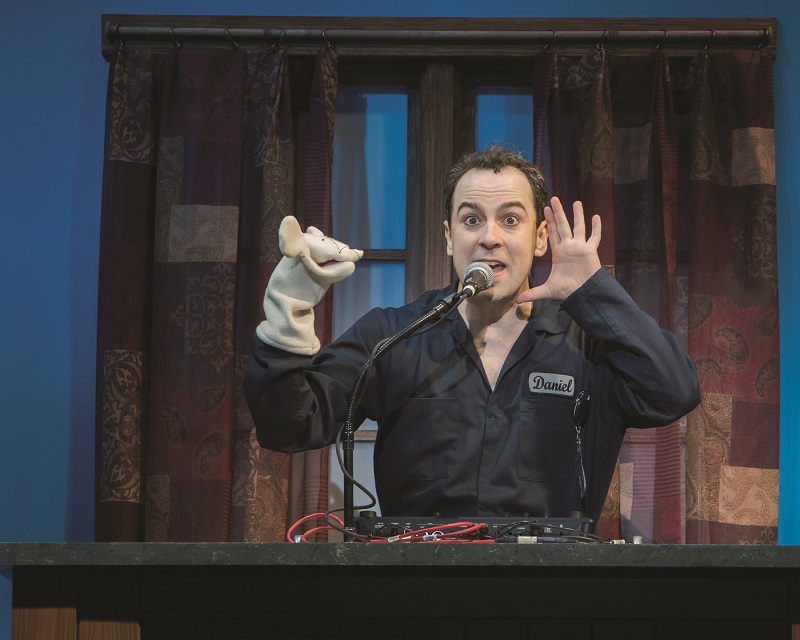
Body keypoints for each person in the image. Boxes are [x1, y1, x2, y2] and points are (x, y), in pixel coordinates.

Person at [244, 146, 701, 524]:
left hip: (551, 588)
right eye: (471, 220)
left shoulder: (586, 342)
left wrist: (594, 292)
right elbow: (289, 424)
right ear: (449, 237)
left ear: (541, 238)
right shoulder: (393, 334)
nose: (489, 237)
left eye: (510, 219)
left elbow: (674, 392)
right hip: (415, 585)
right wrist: (289, 307)